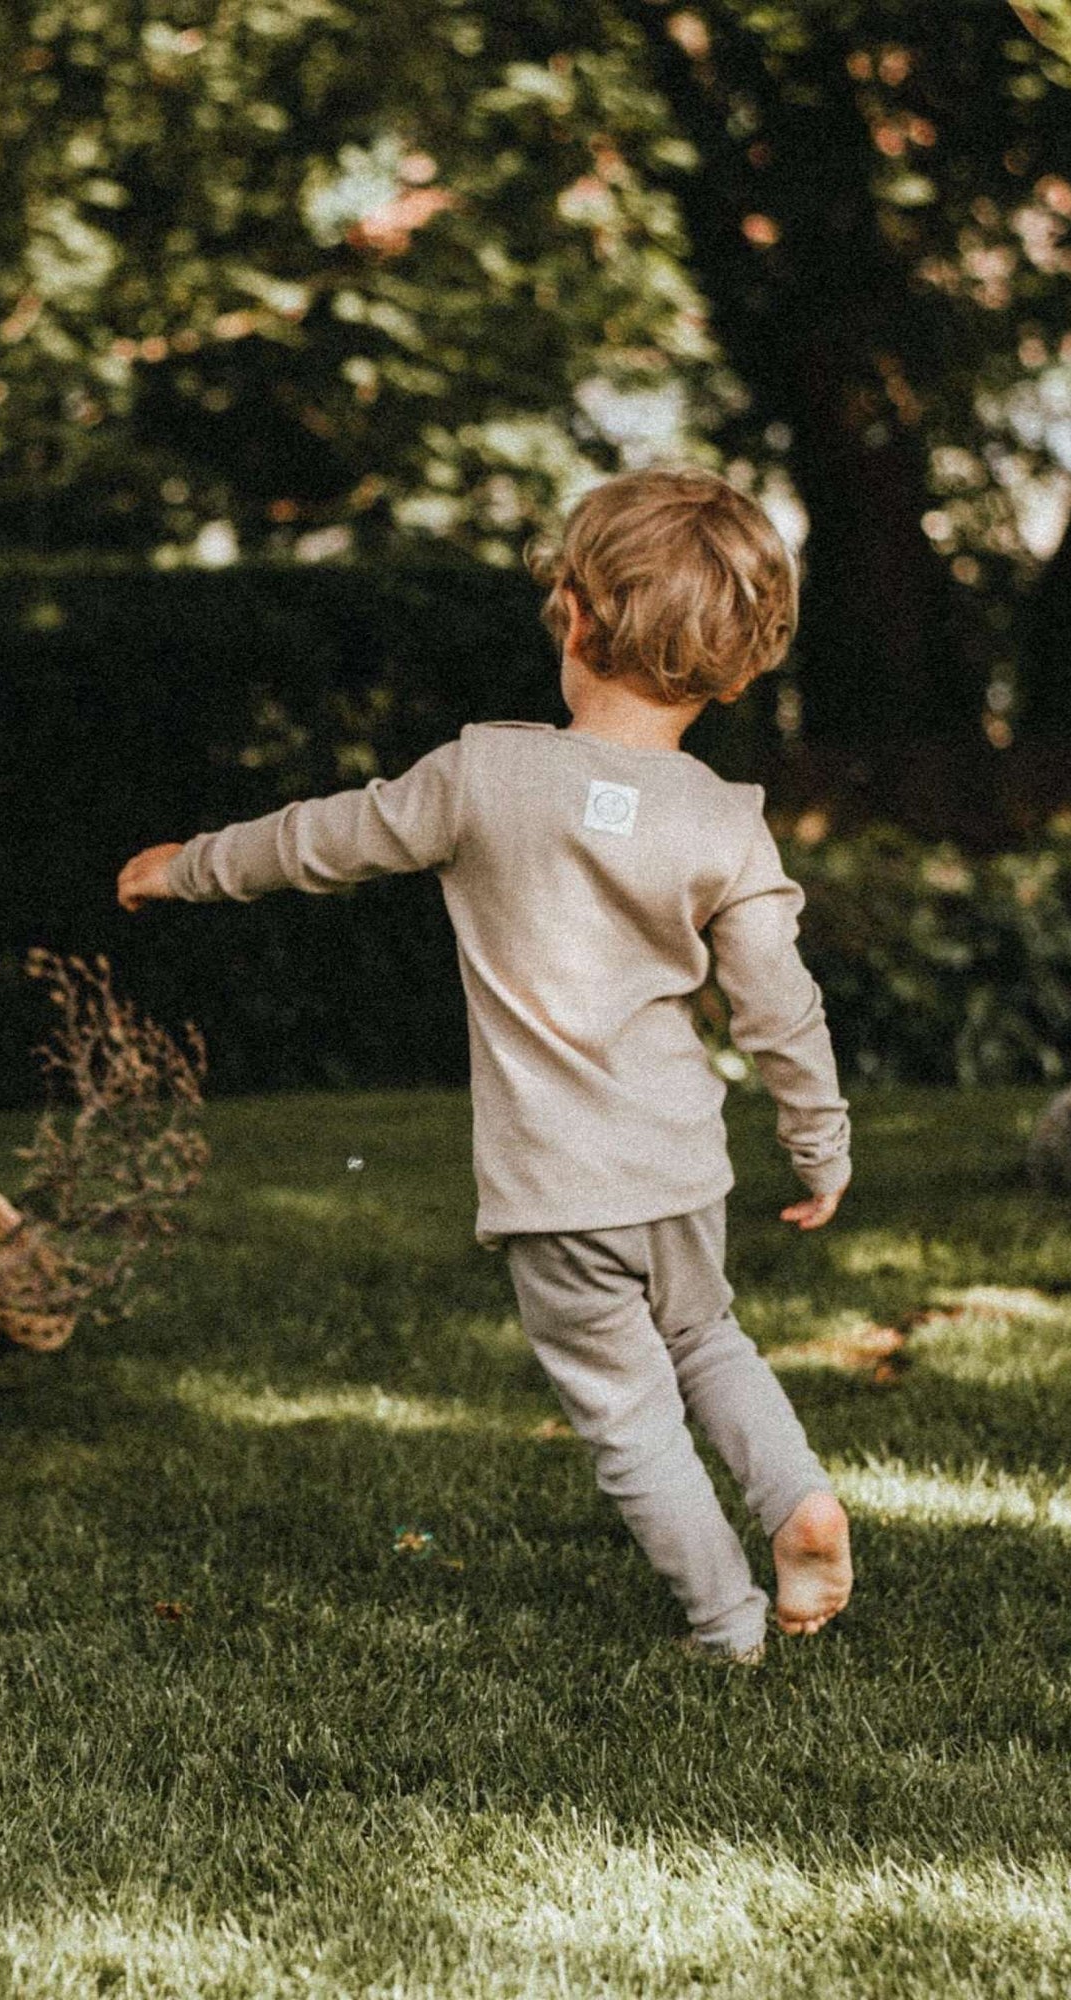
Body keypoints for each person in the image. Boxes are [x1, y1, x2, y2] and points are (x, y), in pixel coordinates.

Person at [116, 466, 853, 1665]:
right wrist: (819, 1145)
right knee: (708, 1338)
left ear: (571, 615)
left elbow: (318, 841)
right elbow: (779, 1006)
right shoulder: (725, 819)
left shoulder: (482, 775)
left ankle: (725, 1620)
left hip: (559, 1186)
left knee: (624, 1409)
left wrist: (184, 865)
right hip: (677, 1162)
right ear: (731, 669)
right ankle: (795, 1498)